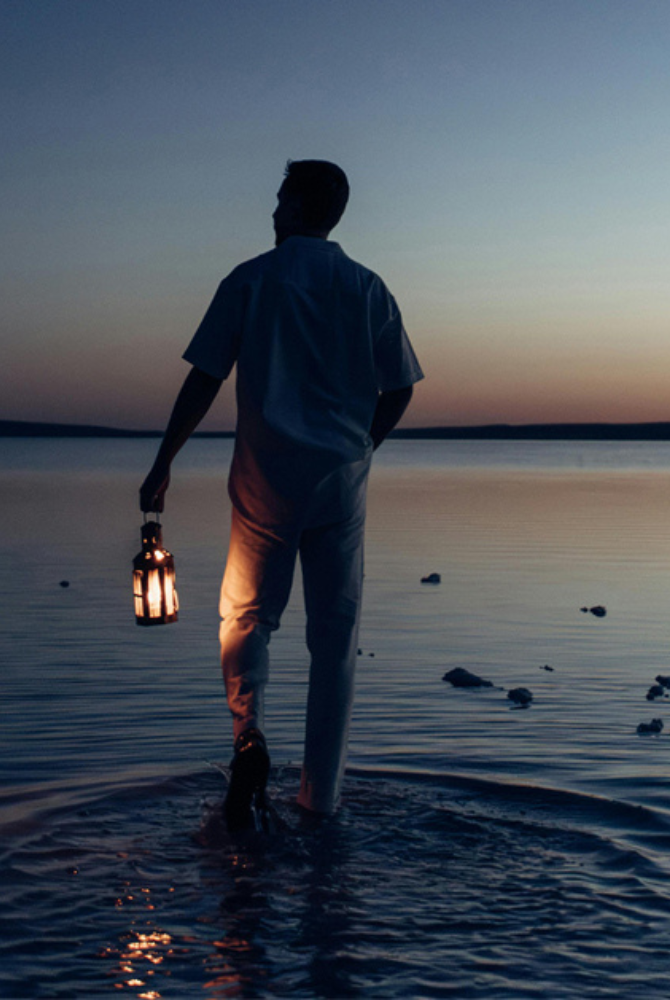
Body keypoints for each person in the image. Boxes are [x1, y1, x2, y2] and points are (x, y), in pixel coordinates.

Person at [139, 160, 423, 830]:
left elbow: (204, 378)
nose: (271, 212)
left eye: (278, 201)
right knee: (335, 639)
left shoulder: (252, 279)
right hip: (341, 486)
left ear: (298, 207)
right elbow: (402, 388)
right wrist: (362, 445)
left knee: (244, 618)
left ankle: (249, 736)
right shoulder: (368, 288)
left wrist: (163, 463)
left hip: (268, 482)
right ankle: (319, 801)